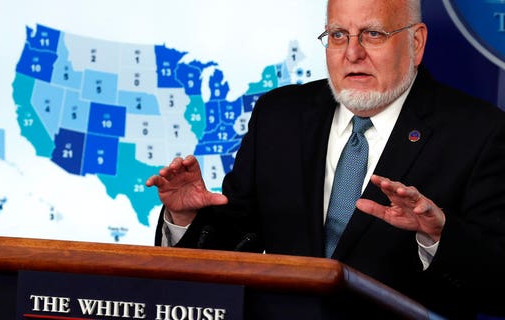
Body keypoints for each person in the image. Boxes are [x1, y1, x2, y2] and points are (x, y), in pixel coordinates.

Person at [146, 0, 505, 318]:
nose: (352, 53)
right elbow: (237, 243)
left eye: (373, 34)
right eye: (337, 35)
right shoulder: (279, 115)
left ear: (415, 41)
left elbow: (496, 285)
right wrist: (185, 217)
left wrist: (438, 238)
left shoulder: (478, 132)